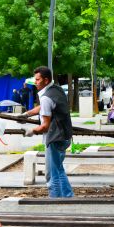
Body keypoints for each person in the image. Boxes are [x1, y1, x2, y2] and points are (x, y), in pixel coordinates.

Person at [24, 66, 74, 198]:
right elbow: (43, 107)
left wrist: (31, 131)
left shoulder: (46, 97)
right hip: (65, 136)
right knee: (58, 169)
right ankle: (68, 197)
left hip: (55, 138)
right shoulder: (56, 89)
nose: (35, 82)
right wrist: (27, 114)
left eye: (38, 79)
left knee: (51, 174)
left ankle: (55, 202)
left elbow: (45, 126)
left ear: (46, 80)